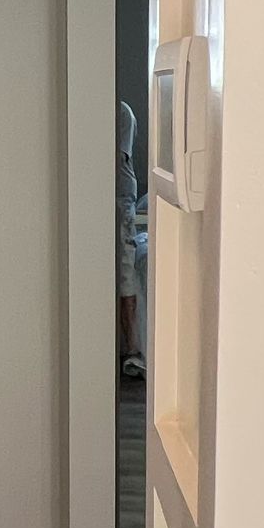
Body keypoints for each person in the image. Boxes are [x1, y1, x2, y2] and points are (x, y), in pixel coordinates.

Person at [118, 100, 146, 378]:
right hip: (114, 195)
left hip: (121, 196)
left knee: (125, 270)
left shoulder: (122, 113)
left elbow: (119, 157)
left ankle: (133, 350)